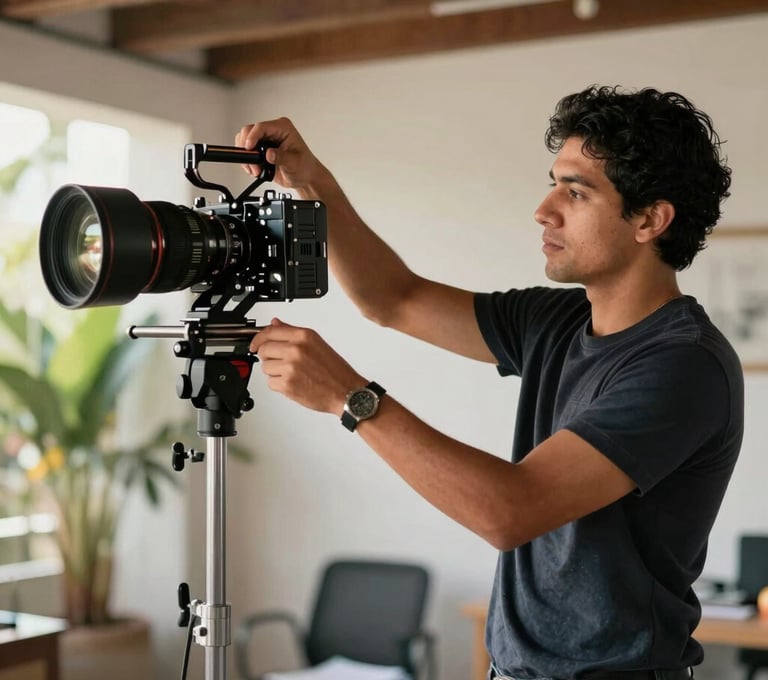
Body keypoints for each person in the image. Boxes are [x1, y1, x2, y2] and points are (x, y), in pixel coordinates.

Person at [239, 85, 743, 680]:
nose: (544, 208)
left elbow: (511, 510)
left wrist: (353, 399)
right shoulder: (556, 320)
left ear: (650, 220)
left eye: (576, 191)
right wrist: (310, 180)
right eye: (555, 181)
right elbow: (392, 298)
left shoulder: (683, 364)